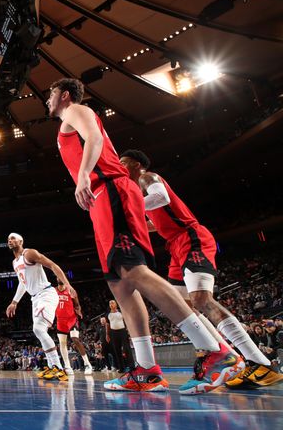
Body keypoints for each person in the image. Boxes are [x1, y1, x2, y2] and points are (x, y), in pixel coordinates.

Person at [47, 77, 242, 394]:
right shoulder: (65, 124)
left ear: (64, 95)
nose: (48, 100)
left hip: (110, 189)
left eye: (51, 93)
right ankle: (148, 370)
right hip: (102, 198)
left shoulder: (75, 111)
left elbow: (94, 137)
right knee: (119, 285)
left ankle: (216, 351)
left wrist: (83, 177)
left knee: (133, 271)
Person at [120, 149, 282, 389]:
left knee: (201, 299)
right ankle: (225, 355)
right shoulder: (138, 191)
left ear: (135, 164)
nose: (120, 167)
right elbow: (159, 222)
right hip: (175, 244)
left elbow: (161, 197)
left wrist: (130, 210)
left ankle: (260, 363)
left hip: (191, 237)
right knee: (181, 306)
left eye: (123, 162)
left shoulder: (147, 177)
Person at [5, 233, 74, 382]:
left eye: (13, 238)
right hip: (35, 298)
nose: (10, 240)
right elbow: (23, 283)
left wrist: (67, 284)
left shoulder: (29, 253)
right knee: (39, 330)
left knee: (38, 329)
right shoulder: (15, 262)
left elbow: (53, 265)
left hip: (46, 294)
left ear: (21, 241)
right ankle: (52, 366)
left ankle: (58, 368)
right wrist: (14, 302)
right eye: (8, 239)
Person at [55, 281, 93, 375]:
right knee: (62, 343)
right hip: (60, 320)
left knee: (75, 339)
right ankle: (67, 366)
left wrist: (79, 311)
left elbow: (77, 304)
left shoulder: (70, 290)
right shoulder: (53, 291)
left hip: (71, 319)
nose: (59, 277)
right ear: (56, 279)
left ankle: (87, 364)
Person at [106, 300, 134, 372]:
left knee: (127, 348)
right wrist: (107, 334)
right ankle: (121, 367)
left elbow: (127, 321)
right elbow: (107, 325)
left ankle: (131, 366)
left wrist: (129, 330)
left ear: (116, 304)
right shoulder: (108, 314)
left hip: (122, 331)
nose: (111, 304)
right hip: (113, 333)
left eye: (112, 303)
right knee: (117, 350)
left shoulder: (121, 312)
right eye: (110, 303)